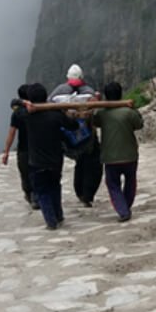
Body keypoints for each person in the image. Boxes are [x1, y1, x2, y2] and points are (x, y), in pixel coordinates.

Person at [24, 83, 78, 230]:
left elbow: (14, 105)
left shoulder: (28, 116)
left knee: (42, 191)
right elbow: (73, 126)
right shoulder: (55, 114)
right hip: (55, 159)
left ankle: (51, 220)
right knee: (54, 187)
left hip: (36, 161)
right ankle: (58, 215)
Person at [49, 64, 103, 207]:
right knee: (91, 165)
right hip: (87, 138)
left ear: (68, 77)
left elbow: (48, 105)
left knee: (76, 165)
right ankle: (86, 194)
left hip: (66, 139)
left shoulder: (58, 92)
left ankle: (77, 193)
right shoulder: (89, 92)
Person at [93, 82, 144, 222]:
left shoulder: (102, 113)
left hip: (110, 158)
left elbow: (93, 120)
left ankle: (123, 211)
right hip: (130, 155)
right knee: (130, 182)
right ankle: (126, 206)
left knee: (113, 184)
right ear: (121, 94)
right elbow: (139, 124)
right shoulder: (128, 112)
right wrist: (134, 109)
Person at [2, 84, 38, 209]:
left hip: (24, 149)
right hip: (38, 147)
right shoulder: (39, 109)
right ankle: (36, 196)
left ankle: (30, 195)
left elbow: (11, 133)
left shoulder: (17, 113)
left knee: (25, 173)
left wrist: (6, 152)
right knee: (36, 171)